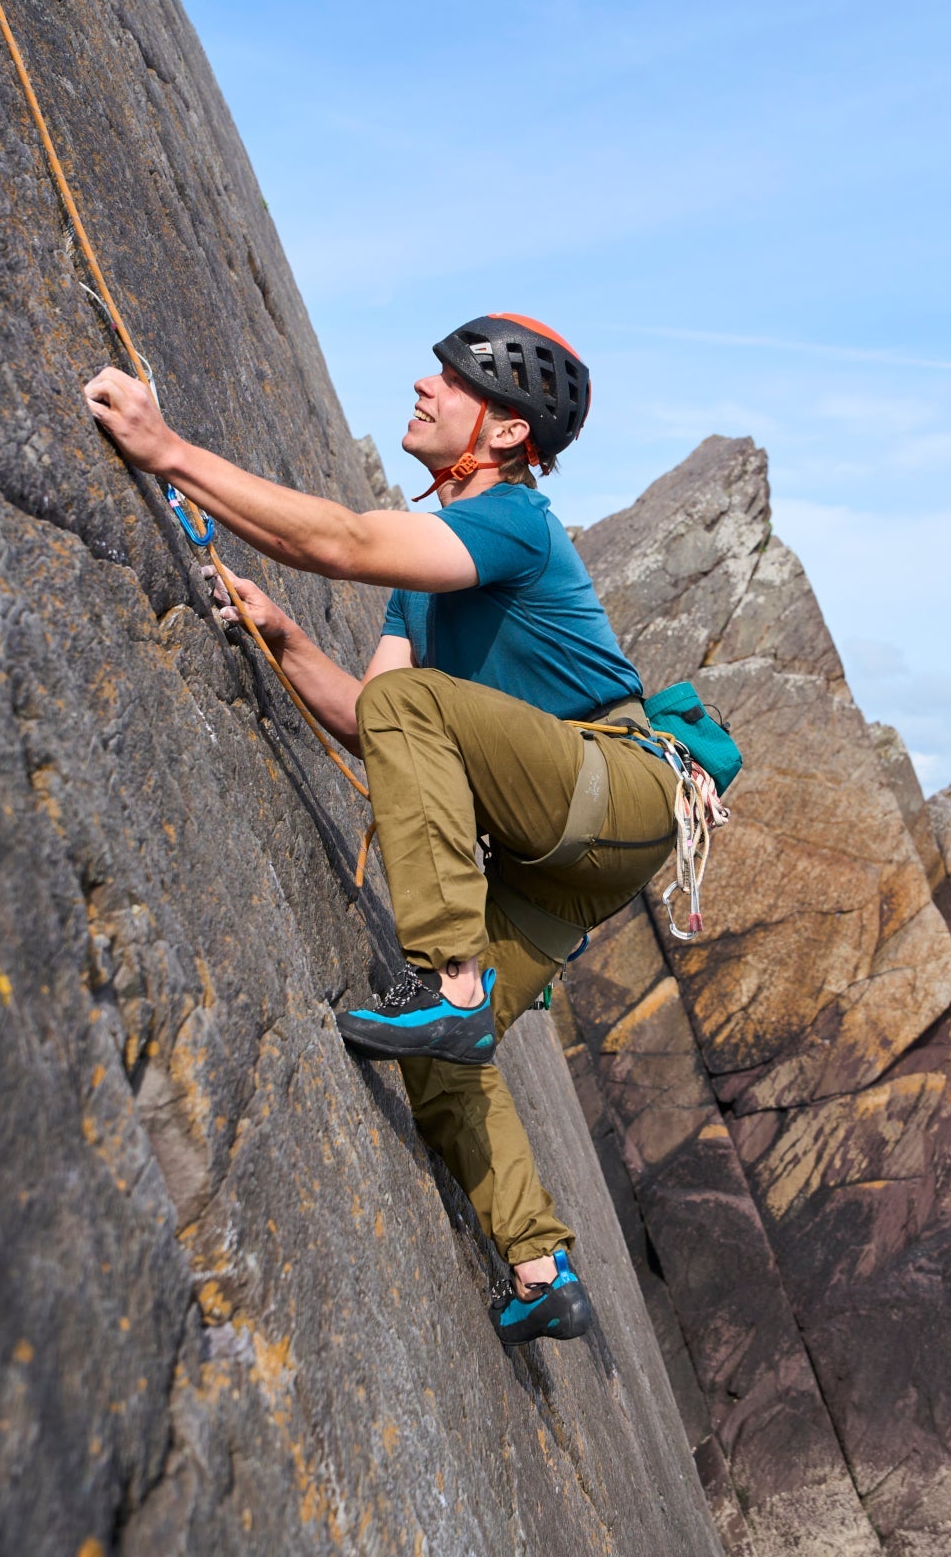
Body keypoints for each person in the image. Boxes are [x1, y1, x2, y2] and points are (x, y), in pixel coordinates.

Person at [83, 315, 680, 1345]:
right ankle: (541, 1268)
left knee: (446, 996)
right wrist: (286, 633)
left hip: (616, 788)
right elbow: (375, 720)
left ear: (501, 436)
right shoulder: (432, 573)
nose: (422, 385)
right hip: (565, 860)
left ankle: (451, 979)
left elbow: (347, 543)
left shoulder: (513, 521)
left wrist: (167, 451)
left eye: (453, 381)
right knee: (446, 1058)